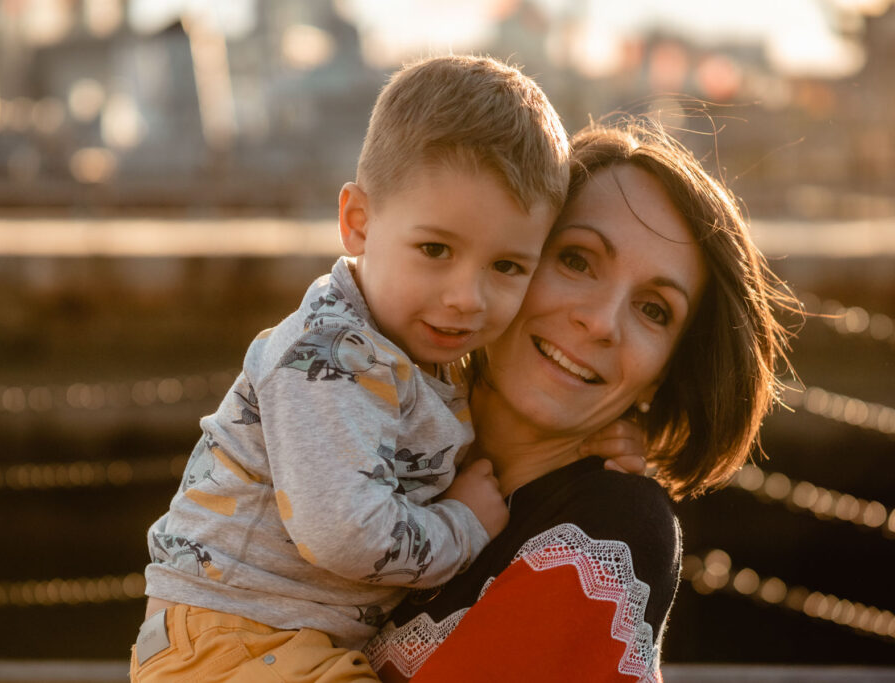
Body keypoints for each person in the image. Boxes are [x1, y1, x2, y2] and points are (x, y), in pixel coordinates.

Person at [131, 56, 639, 683]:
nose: (466, 297)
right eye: (435, 250)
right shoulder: (329, 358)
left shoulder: (419, 355)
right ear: (358, 223)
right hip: (232, 637)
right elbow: (345, 534)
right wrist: (463, 524)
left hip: (283, 642)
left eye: (506, 266)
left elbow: (479, 442)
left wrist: (588, 441)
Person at [364, 117, 795, 682]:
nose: (600, 322)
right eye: (577, 260)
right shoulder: (373, 430)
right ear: (507, 261)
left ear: (662, 374)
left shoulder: (611, 532)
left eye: (654, 310)